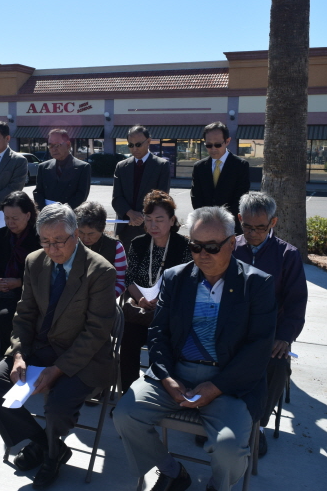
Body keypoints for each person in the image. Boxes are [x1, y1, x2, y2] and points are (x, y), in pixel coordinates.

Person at [113, 206, 276, 491]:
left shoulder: (256, 284)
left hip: (229, 381)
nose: (202, 254)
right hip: (176, 372)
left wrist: (215, 387)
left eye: (212, 247)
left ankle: (218, 485)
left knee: (229, 448)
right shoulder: (176, 278)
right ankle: (172, 471)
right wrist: (167, 378)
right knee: (125, 415)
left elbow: (258, 348)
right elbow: (159, 332)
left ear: (231, 243)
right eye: (195, 246)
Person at [0, 204, 116, 488]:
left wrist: (58, 370)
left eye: (59, 241)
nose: (52, 249)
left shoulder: (100, 270)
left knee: (57, 406)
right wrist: (18, 354)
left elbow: (96, 332)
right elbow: (24, 314)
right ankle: (47, 444)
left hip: (82, 357)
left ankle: (51, 456)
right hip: (39, 348)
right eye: (45, 241)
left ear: (75, 235)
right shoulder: (35, 261)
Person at [232, 191, 307, 457]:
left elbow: (296, 304)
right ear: (239, 219)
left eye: (260, 228)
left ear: (273, 223)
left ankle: (257, 426)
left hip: (269, 333)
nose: (253, 233)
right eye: (247, 227)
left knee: (277, 365)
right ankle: (219, 418)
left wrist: (284, 337)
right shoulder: (229, 247)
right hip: (231, 329)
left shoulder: (287, 255)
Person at [120, 190, 192, 392]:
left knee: (160, 345)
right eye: (149, 219)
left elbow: (187, 283)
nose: (153, 225)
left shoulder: (184, 246)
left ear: (172, 220)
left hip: (169, 314)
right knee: (128, 339)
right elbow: (128, 277)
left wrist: (162, 301)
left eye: (159, 220)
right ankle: (128, 392)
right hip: (140, 311)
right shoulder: (139, 243)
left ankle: (156, 392)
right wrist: (140, 299)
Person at [0, 191, 41, 358]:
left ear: (28, 215)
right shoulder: (2, 234)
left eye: (15, 218)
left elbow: (43, 273)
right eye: (6, 217)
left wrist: (19, 282)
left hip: (23, 294)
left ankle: (10, 357)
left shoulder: (39, 239)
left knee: (4, 319)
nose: (10, 222)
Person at [112, 125, 171, 246]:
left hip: (151, 227)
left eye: (138, 144)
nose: (134, 148)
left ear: (148, 141)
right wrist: (130, 213)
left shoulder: (161, 166)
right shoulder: (121, 167)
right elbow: (117, 197)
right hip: (126, 227)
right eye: (130, 145)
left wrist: (142, 216)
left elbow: (161, 198)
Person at [190, 121, 250, 235]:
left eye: (217, 144)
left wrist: (221, 221)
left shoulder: (240, 165)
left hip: (231, 227)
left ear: (227, 141)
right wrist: (207, 220)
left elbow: (240, 198)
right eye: (209, 145)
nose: (213, 148)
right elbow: (196, 198)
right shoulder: (199, 167)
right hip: (205, 225)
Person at [74, 201, 126, 298]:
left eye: (91, 234)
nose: (85, 238)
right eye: (81, 232)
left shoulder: (116, 247)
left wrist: (106, 298)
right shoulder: (71, 243)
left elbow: (121, 281)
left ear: (102, 229)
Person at [33, 129, 91, 210]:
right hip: (47, 214)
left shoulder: (82, 167)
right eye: (50, 145)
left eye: (57, 145)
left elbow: (81, 196)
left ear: (68, 145)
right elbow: (38, 192)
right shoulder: (43, 167)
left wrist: (62, 210)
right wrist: (45, 210)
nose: (53, 149)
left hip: (70, 214)